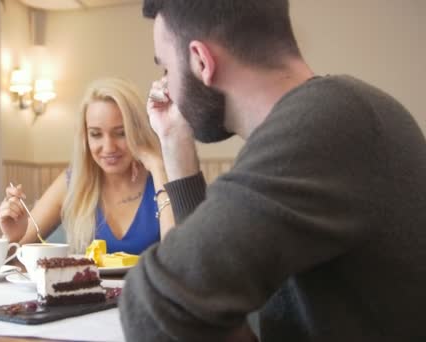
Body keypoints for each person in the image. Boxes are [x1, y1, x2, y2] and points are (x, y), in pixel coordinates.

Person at [119, 1, 426, 341]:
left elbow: (155, 302)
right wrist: (174, 141)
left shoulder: (329, 121)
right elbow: (207, 278)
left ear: (201, 61)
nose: (166, 87)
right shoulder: (340, 116)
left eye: (166, 70)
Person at [0, 77, 174, 255]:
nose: (109, 147)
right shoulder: (73, 183)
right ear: (85, 137)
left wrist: (158, 168)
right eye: (96, 134)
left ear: (137, 131)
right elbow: (11, 255)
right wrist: (12, 237)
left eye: (121, 133)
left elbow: (178, 257)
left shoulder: (165, 177)